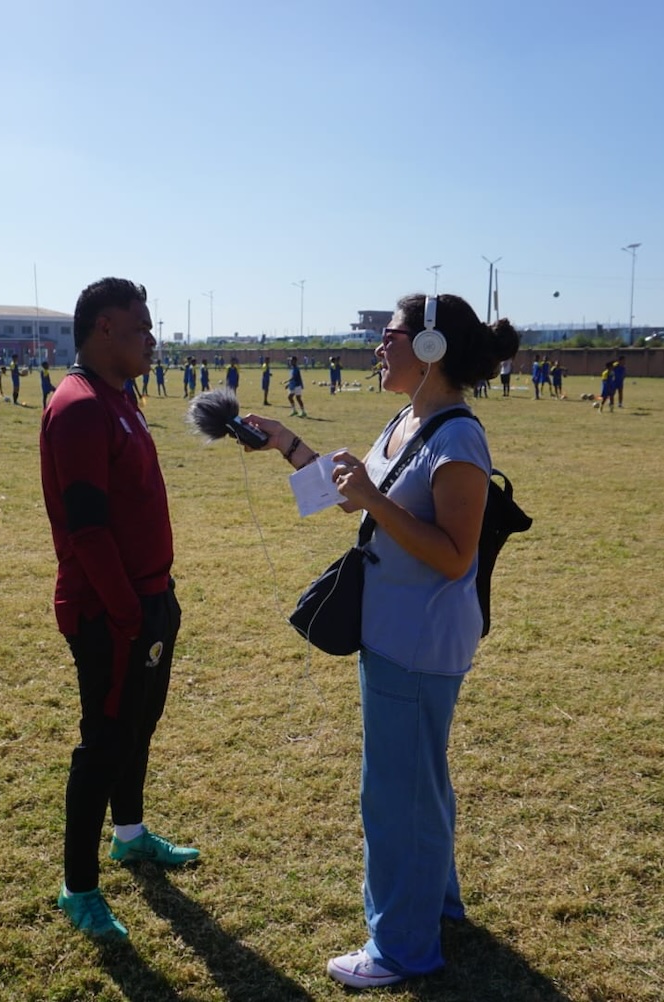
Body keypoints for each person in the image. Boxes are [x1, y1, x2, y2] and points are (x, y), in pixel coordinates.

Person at [244, 292, 516, 990]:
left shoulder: (458, 440)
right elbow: (353, 495)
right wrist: (286, 444)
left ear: (429, 348)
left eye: (388, 337)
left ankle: (402, 948)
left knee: (396, 795)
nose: (377, 348)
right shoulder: (407, 420)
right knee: (418, 783)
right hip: (392, 629)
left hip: (420, 642)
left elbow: (455, 555)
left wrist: (371, 500)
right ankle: (438, 906)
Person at [39, 277, 199, 943]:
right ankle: (78, 888)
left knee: (139, 725)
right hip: (111, 612)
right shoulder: (78, 406)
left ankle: (129, 835)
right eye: (140, 326)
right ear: (104, 329)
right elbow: (87, 529)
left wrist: (157, 602)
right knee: (103, 740)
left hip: (149, 599)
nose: (152, 338)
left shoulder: (121, 396)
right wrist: (130, 614)